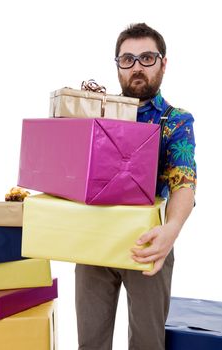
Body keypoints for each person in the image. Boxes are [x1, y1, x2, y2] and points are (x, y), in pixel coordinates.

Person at [75, 22, 197, 350]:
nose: (137, 67)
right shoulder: (100, 113)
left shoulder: (177, 121)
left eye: (146, 58)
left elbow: (184, 180)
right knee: (90, 343)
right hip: (93, 241)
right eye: (127, 60)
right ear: (117, 65)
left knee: (148, 343)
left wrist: (171, 229)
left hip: (148, 243)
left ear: (163, 63)